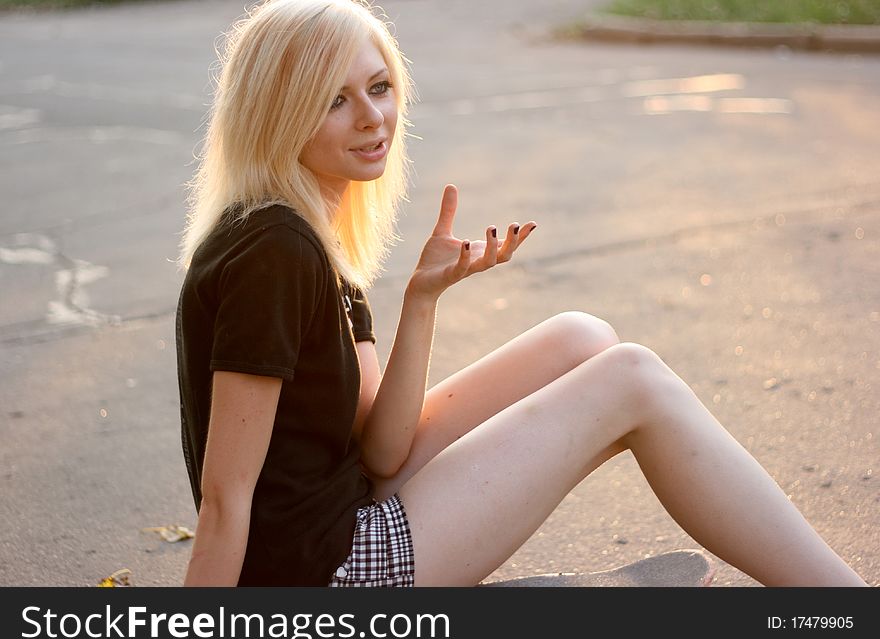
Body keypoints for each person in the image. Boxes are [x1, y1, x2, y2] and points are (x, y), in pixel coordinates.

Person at [175, 0, 868, 587]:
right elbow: (224, 498)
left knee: (583, 337)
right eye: (334, 98)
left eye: (379, 87)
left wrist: (421, 301)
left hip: (341, 510)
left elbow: (381, 454)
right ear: (280, 113)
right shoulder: (274, 251)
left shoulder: (310, 237)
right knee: (635, 381)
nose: (370, 117)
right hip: (328, 572)